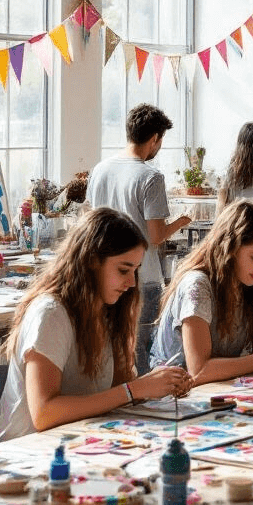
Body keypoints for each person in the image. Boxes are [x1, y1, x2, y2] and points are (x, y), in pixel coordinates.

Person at [0, 208, 192, 441]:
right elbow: (44, 413)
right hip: (25, 451)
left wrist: (157, 383)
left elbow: (118, 389)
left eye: (135, 271)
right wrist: (134, 390)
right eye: (123, 270)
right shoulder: (51, 313)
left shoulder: (108, 308)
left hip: (79, 440)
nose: (130, 282)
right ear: (91, 261)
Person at [149, 200, 253, 385]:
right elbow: (198, 370)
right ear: (229, 248)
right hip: (174, 400)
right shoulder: (197, 285)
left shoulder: (246, 283)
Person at [87, 104, 192, 375]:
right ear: (155, 138)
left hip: (102, 274)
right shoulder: (150, 176)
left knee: (109, 351)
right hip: (140, 276)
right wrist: (180, 223)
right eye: (161, 140)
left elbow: (89, 221)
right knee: (140, 351)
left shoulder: (100, 169)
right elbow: (156, 236)